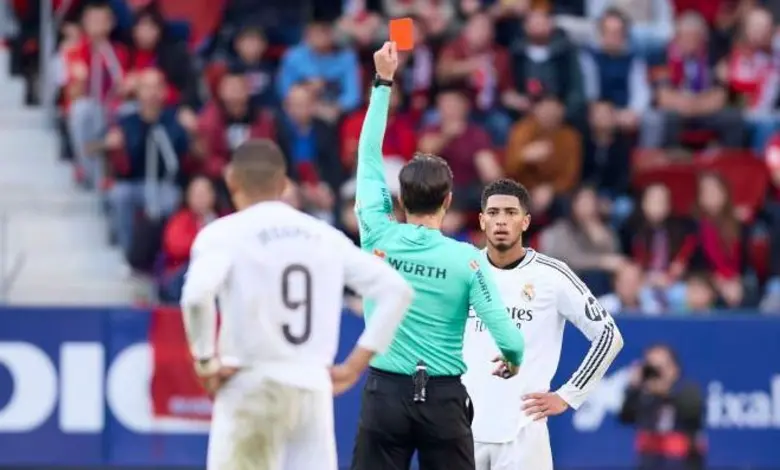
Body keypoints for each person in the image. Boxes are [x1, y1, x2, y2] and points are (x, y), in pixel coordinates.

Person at [179, 139, 414, 470]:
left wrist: (205, 362)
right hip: (311, 386)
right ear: (283, 183)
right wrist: (354, 365)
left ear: (231, 180)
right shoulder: (322, 235)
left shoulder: (223, 234)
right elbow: (396, 290)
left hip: (251, 381)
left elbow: (195, 296)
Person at [351, 43, 526, 470]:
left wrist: (383, 82)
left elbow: (369, 158)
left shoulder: (377, 233)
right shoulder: (467, 260)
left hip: (384, 396)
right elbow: (510, 339)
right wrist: (513, 362)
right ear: (448, 201)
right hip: (443, 401)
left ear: (400, 198)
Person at [462, 179, 625, 470]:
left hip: (523, 434)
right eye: (494, 212)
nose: (501, 220)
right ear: (482, 220)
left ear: (525, 222)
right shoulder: (463, 270)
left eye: (511, 213)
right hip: (462, 429)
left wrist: (568, 394)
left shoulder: (552, 275)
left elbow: (608, 336)